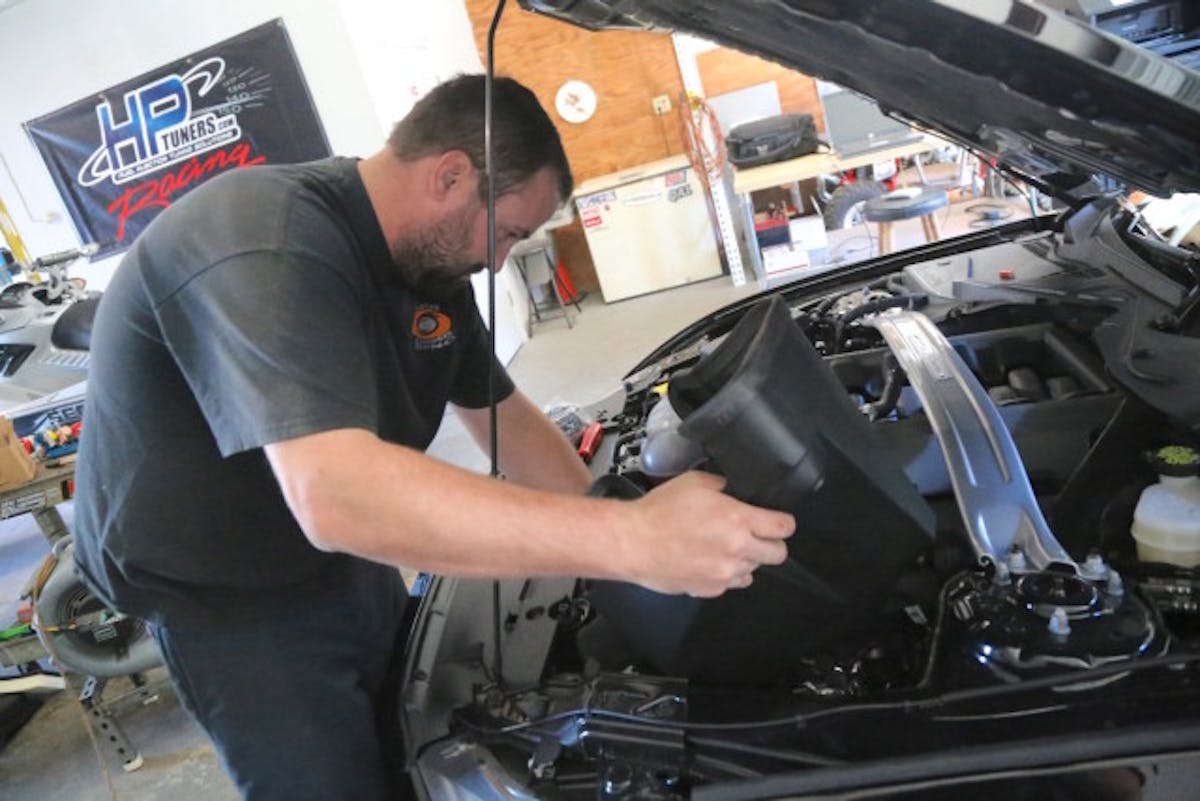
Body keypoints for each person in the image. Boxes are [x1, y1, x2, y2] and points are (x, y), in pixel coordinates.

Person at [72, 75, 795, 801]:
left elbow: (503, 418)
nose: (504, 259)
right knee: (331, 784)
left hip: (340, 557)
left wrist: (621, 546)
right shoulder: (262, 241)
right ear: (450, 175)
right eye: (509, 231)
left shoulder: (428, 264)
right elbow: (339, 498)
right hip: (227, 594)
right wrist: (630, 539)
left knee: (407, 736)